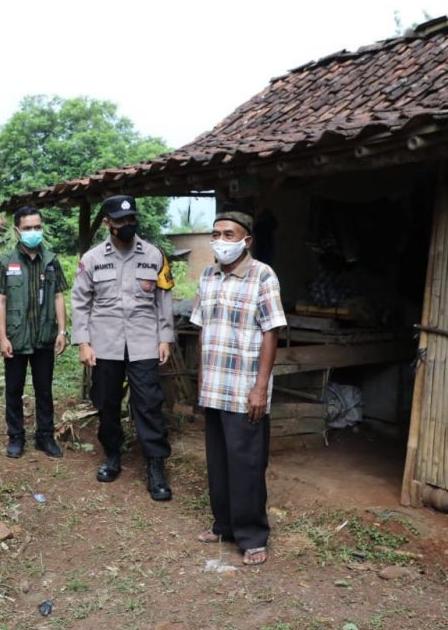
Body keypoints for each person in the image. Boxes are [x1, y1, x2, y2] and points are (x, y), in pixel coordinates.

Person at [190, 211, 286, 566]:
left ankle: (252, 536)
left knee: (247, 463)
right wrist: (201, 375)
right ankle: (223, 525)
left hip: (245, 388)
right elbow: (203, 328)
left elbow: (271, 331)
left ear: (246, 241)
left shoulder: (263, 275)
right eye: (216, 234)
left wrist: (260, 387)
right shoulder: (208, 275)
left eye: (228, 234)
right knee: (218, 461)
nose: (220, 240)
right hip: (215, 385)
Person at [71, 195, 176, 501]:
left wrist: (164, 338)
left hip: (144, 343)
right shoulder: (91, 259)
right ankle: (112, 455)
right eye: (120, 221)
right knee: (106, 403)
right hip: (105, 345)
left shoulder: (155, 256)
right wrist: (84, 342)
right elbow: (81, 302)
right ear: (108, 223)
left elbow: (163, 300)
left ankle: (156, 466)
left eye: (131, 220)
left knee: (148, 405)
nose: (127, 226)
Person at [0, 205, 69, 458]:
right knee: (14, 389)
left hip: (44, 337)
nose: (33, 232)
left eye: (37, 227)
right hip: (16, 337)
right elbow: (0, 300)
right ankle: (16, 438)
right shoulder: (5, 262)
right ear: (17, 230)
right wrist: (2, 337)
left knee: (44, 389)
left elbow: (58, 296)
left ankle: (45, 437)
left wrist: (62, 331)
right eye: (27, 228)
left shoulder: (51, 261)